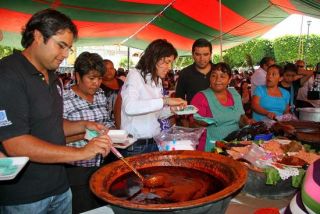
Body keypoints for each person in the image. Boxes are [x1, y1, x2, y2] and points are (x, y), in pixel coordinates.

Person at [0, 9, 111, 213]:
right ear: (38, 36)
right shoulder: (8, 75)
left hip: (60, 186)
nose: (66, 54)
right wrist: (80, 153)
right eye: (61, 45)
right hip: (25, 197)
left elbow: (51, 124)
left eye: (69, 48)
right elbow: (16, 143)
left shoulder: (53, 76)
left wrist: (83, 125)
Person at [62, 52, 114, 213]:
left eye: (99, 79)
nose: (96, 83)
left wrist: (111, 131)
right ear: (77, 75)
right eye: (91, 78)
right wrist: (86, 134)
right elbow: (56, 136)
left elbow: (105, 122)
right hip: (76, 169)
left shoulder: (99, 95)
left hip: (101, 166)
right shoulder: (64, 99)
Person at [120, 39, 187, 157]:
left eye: (170, 63)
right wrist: (165, 101)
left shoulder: (157, 80)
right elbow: (129, 108)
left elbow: (155, 113)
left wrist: (172, 110)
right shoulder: (135, 75)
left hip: (154, 141)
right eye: (167, 62)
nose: (169, 67)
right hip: (136, 145)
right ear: (154, 58)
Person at [190, 62, 254, 152]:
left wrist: (247, 122)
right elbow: (192, 125)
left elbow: (240, 117)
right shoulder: (201, 97)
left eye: (222, 76)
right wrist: (201, 122)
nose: (217, 80)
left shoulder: (235, 94)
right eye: (214, 76)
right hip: (211, 147)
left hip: (234, 146)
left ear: (229, 79)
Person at [175, 38, 213, 104]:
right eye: (198, 54)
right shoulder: (184, 73)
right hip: (194, 114)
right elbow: (179, 100)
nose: (202, 58)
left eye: (206, 54)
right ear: (193, 55)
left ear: (210, 54)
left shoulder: (218, 70)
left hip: (219, 113)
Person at [100, 59, 124, 124]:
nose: (109, 71)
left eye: (111, 68)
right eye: (106, 69)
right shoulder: (98, 86)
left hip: (122, 119)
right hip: (106, 122)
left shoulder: (121, 82)